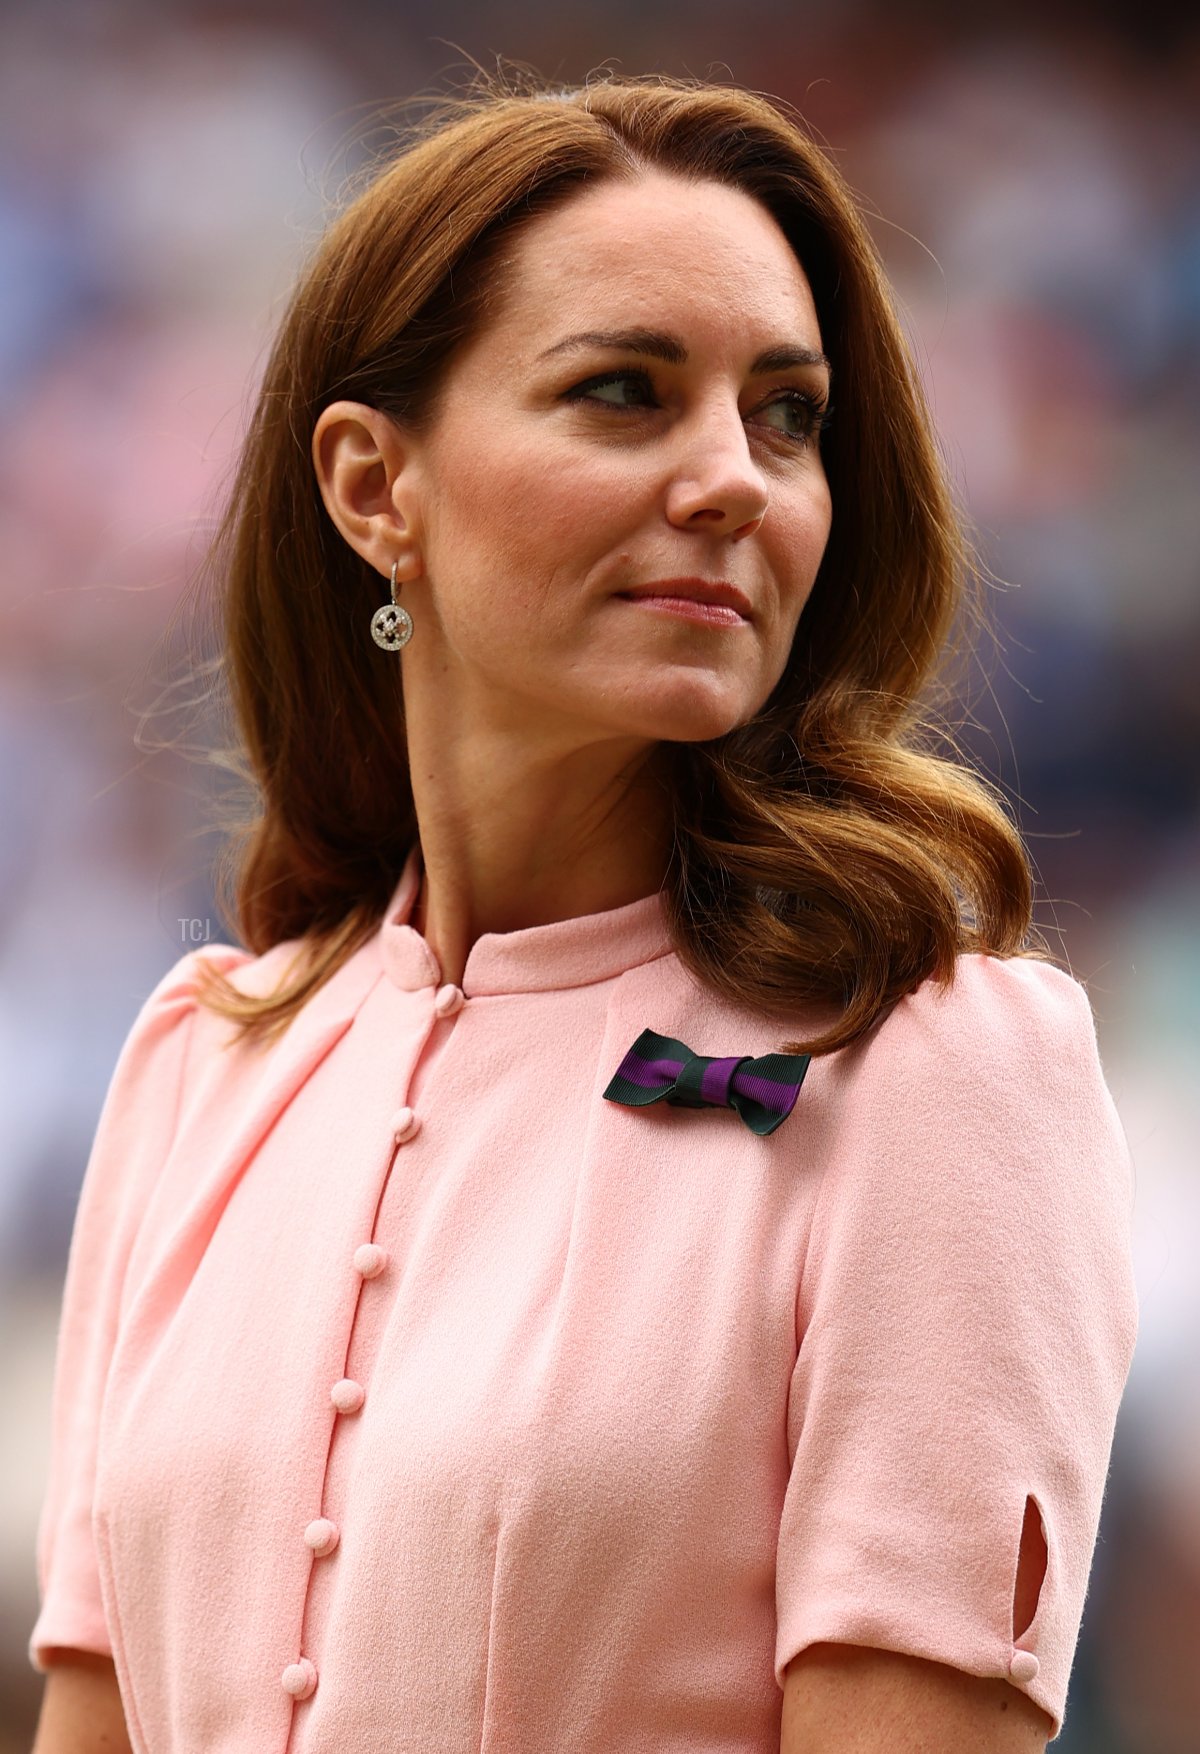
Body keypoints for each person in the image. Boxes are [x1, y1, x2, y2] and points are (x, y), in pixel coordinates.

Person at [29, 69, 1138, 1754]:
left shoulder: (935, 1066)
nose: (732, 481)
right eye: (624, 394)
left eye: (786, 418)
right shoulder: (200, 1063)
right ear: (370, 486)